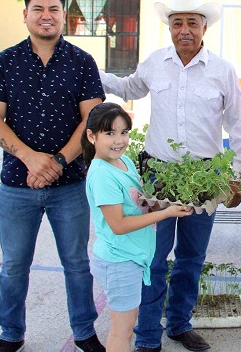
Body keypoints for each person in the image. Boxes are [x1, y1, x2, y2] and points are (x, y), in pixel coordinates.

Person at [99, 0, 241, 352]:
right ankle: (148, 336)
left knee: (191, 257)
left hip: (205, 178)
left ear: (204, 27)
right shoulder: (155, 62)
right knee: (153, 258)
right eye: (177, 22)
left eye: (192, 23)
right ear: (169, 27)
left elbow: (238, 125)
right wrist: (92, 71)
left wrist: (237, 176)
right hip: (159, 177)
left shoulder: (222, 71)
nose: (185, 30)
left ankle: (179, 324)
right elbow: (128, 88)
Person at [0, 0, 106, 352]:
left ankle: (84, 333)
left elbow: (92, 120)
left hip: (70, 187)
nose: (46, 16)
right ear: (26, 14)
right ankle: (11, 335)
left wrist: (57, 161)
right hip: (16, 186)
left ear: (63, 16)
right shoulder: (5, 61)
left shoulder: (82, 62)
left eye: (53, 9)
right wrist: (31, 158)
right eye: (38, 9)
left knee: (77, 264)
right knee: (13, 267)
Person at [82, 103, 193, 351]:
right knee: (121, 334)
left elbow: (139, 203)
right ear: (91, 136)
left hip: (131, 258)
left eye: (124, 132)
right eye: (109, 133)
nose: (119, 140)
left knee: (126, 327)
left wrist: (165, 203)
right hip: (118, 262)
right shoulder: (102, 174)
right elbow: (118, 225)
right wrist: (165, 214)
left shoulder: (124, 162)